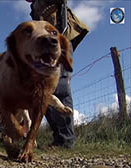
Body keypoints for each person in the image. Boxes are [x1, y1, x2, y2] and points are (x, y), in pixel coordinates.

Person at [26, 0, 89, 148]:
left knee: (60, 85)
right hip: (44, 45)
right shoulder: (34, 6)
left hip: (60, 39)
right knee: (43, 91)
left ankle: (66, 139)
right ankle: (59, 138)